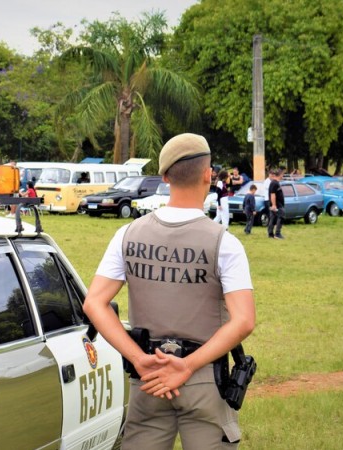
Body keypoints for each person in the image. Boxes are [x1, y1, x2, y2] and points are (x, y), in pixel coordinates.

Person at [83, 133, 255, 449]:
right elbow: (243, 321)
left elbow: (94, 303)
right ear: (208, 174)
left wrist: (138, 357)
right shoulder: (224, 243)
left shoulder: (127, 234)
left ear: (164, 177)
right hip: (204, 376)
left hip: (148, 375)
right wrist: (187, 366)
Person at [267, 168, 285, 239]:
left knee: (273, 218)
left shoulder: (275, 182)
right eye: (282, 174)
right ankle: (277, 233)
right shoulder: (274, 183)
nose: (283, 176)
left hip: (276, 204)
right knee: (281, 216)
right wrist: (274, 205)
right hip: (277, 204)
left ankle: (270, 233)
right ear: (280, 175)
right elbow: (272, 194)